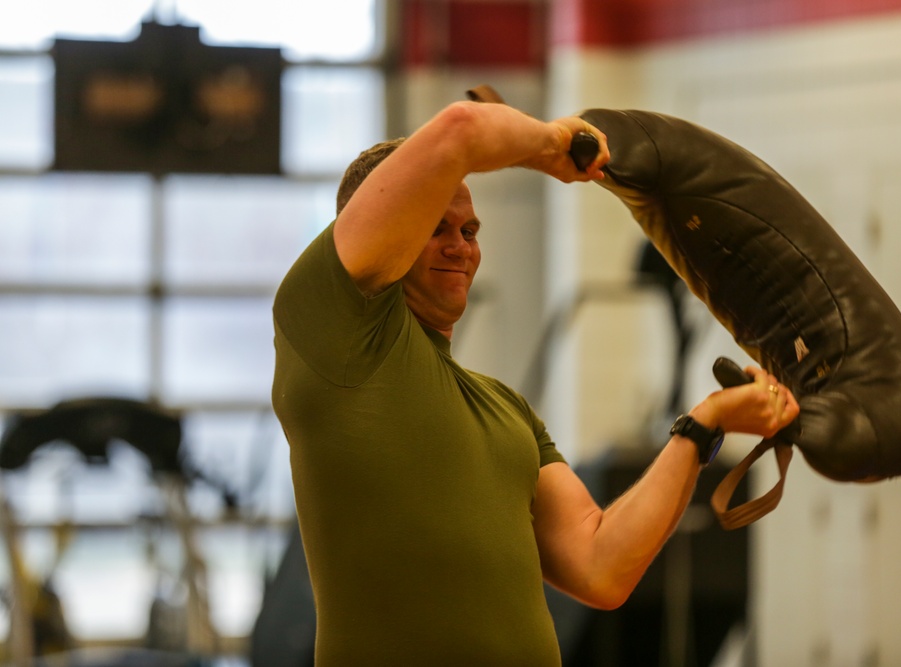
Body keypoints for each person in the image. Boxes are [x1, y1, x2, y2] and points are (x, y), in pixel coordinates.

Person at [271, 100, 799, 666]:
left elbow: (602, 567)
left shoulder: (506, 409)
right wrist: (552, 146)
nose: (461, 246)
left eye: (470, 229)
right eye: (435, 228)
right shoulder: (332, 327)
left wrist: (705, 424)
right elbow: (461, 129)